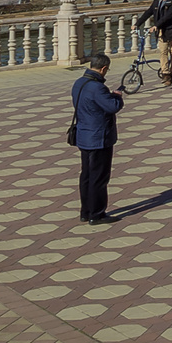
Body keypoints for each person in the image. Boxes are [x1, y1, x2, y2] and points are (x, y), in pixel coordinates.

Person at [72, 53, 124, 224]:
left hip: (83, 135)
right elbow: (112, 107)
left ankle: (85, 211)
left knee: (86, 175)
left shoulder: (79, 83)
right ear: (103, 68)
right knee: (99, 177)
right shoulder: (97, 88)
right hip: (98, 138)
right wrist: (116, 96)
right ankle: (97, 213)